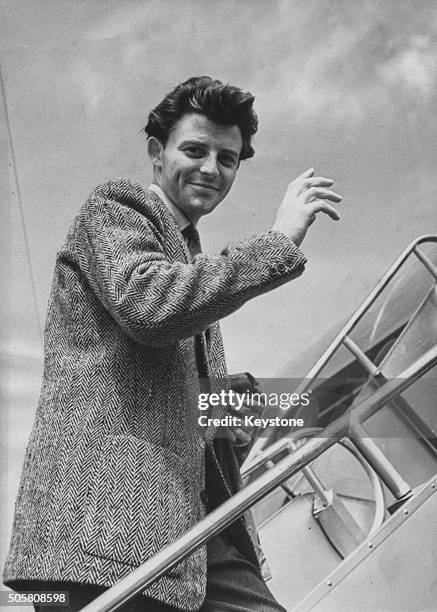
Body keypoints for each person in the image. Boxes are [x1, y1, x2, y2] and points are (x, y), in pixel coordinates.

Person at [3, 76, 342, 611]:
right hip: (106, 532)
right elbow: (151, 309)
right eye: (195, 150)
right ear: (156, 153)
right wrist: (277, 243)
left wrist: (300, 402)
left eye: (227, 159)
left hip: (187, 534)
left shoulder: (187, 255)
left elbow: (166, 387)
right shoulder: (116, 207)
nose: (211, 168)